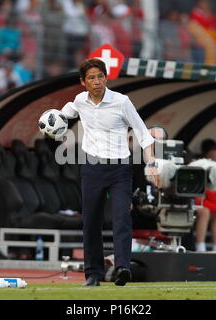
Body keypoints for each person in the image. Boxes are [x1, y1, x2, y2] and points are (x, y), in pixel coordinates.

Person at [60, 58, 158, 286]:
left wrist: (151, 162)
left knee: (122, 218)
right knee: (91, 222)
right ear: (83, 82)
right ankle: (93, 274)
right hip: (92, 168)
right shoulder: (80, 100)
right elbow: (69, 110)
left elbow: (143, 134)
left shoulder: (121, 101)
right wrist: (55, 117)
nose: (97, 82)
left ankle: (122, 268)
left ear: (106, 78)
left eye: (100, 76)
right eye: (91, 78)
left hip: (120, 168)